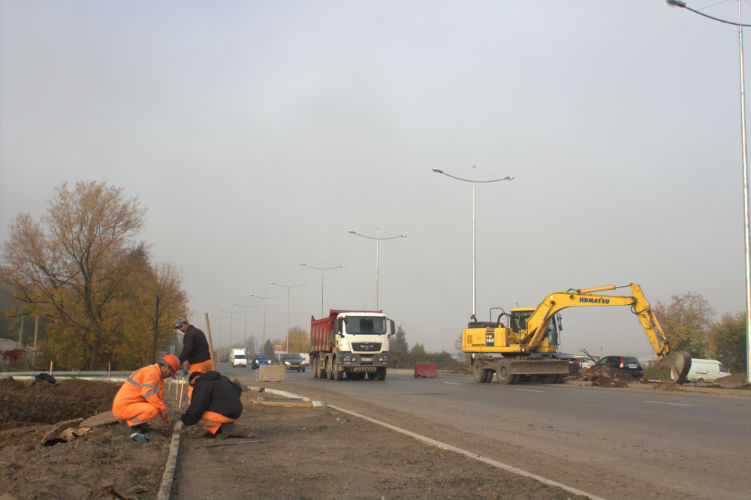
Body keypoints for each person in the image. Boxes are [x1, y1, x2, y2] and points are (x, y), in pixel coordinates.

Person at [112, 354, 179, 433]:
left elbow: (158, 399)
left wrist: (167, 420)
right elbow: (147, 393)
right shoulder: (152, 373)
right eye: (170, 373)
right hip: (122, 408)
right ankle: (130, 424)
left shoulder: (158, 376)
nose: (169, 376)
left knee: (155, 406)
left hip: (128, 406)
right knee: (153, 410)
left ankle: (137, 424)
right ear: (165, 367)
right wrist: (163, 408)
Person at [176, 370, 242, 438]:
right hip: (235, 414)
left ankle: (221, 428)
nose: (194, 387)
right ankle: (221, 427)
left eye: (193, 385)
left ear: (195, 378)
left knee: (197, 416)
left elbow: (197, 407)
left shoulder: (202, 382)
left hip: (225, 415)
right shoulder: (223, 378)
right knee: (200, 412)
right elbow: (238, 389)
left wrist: (184, 421)